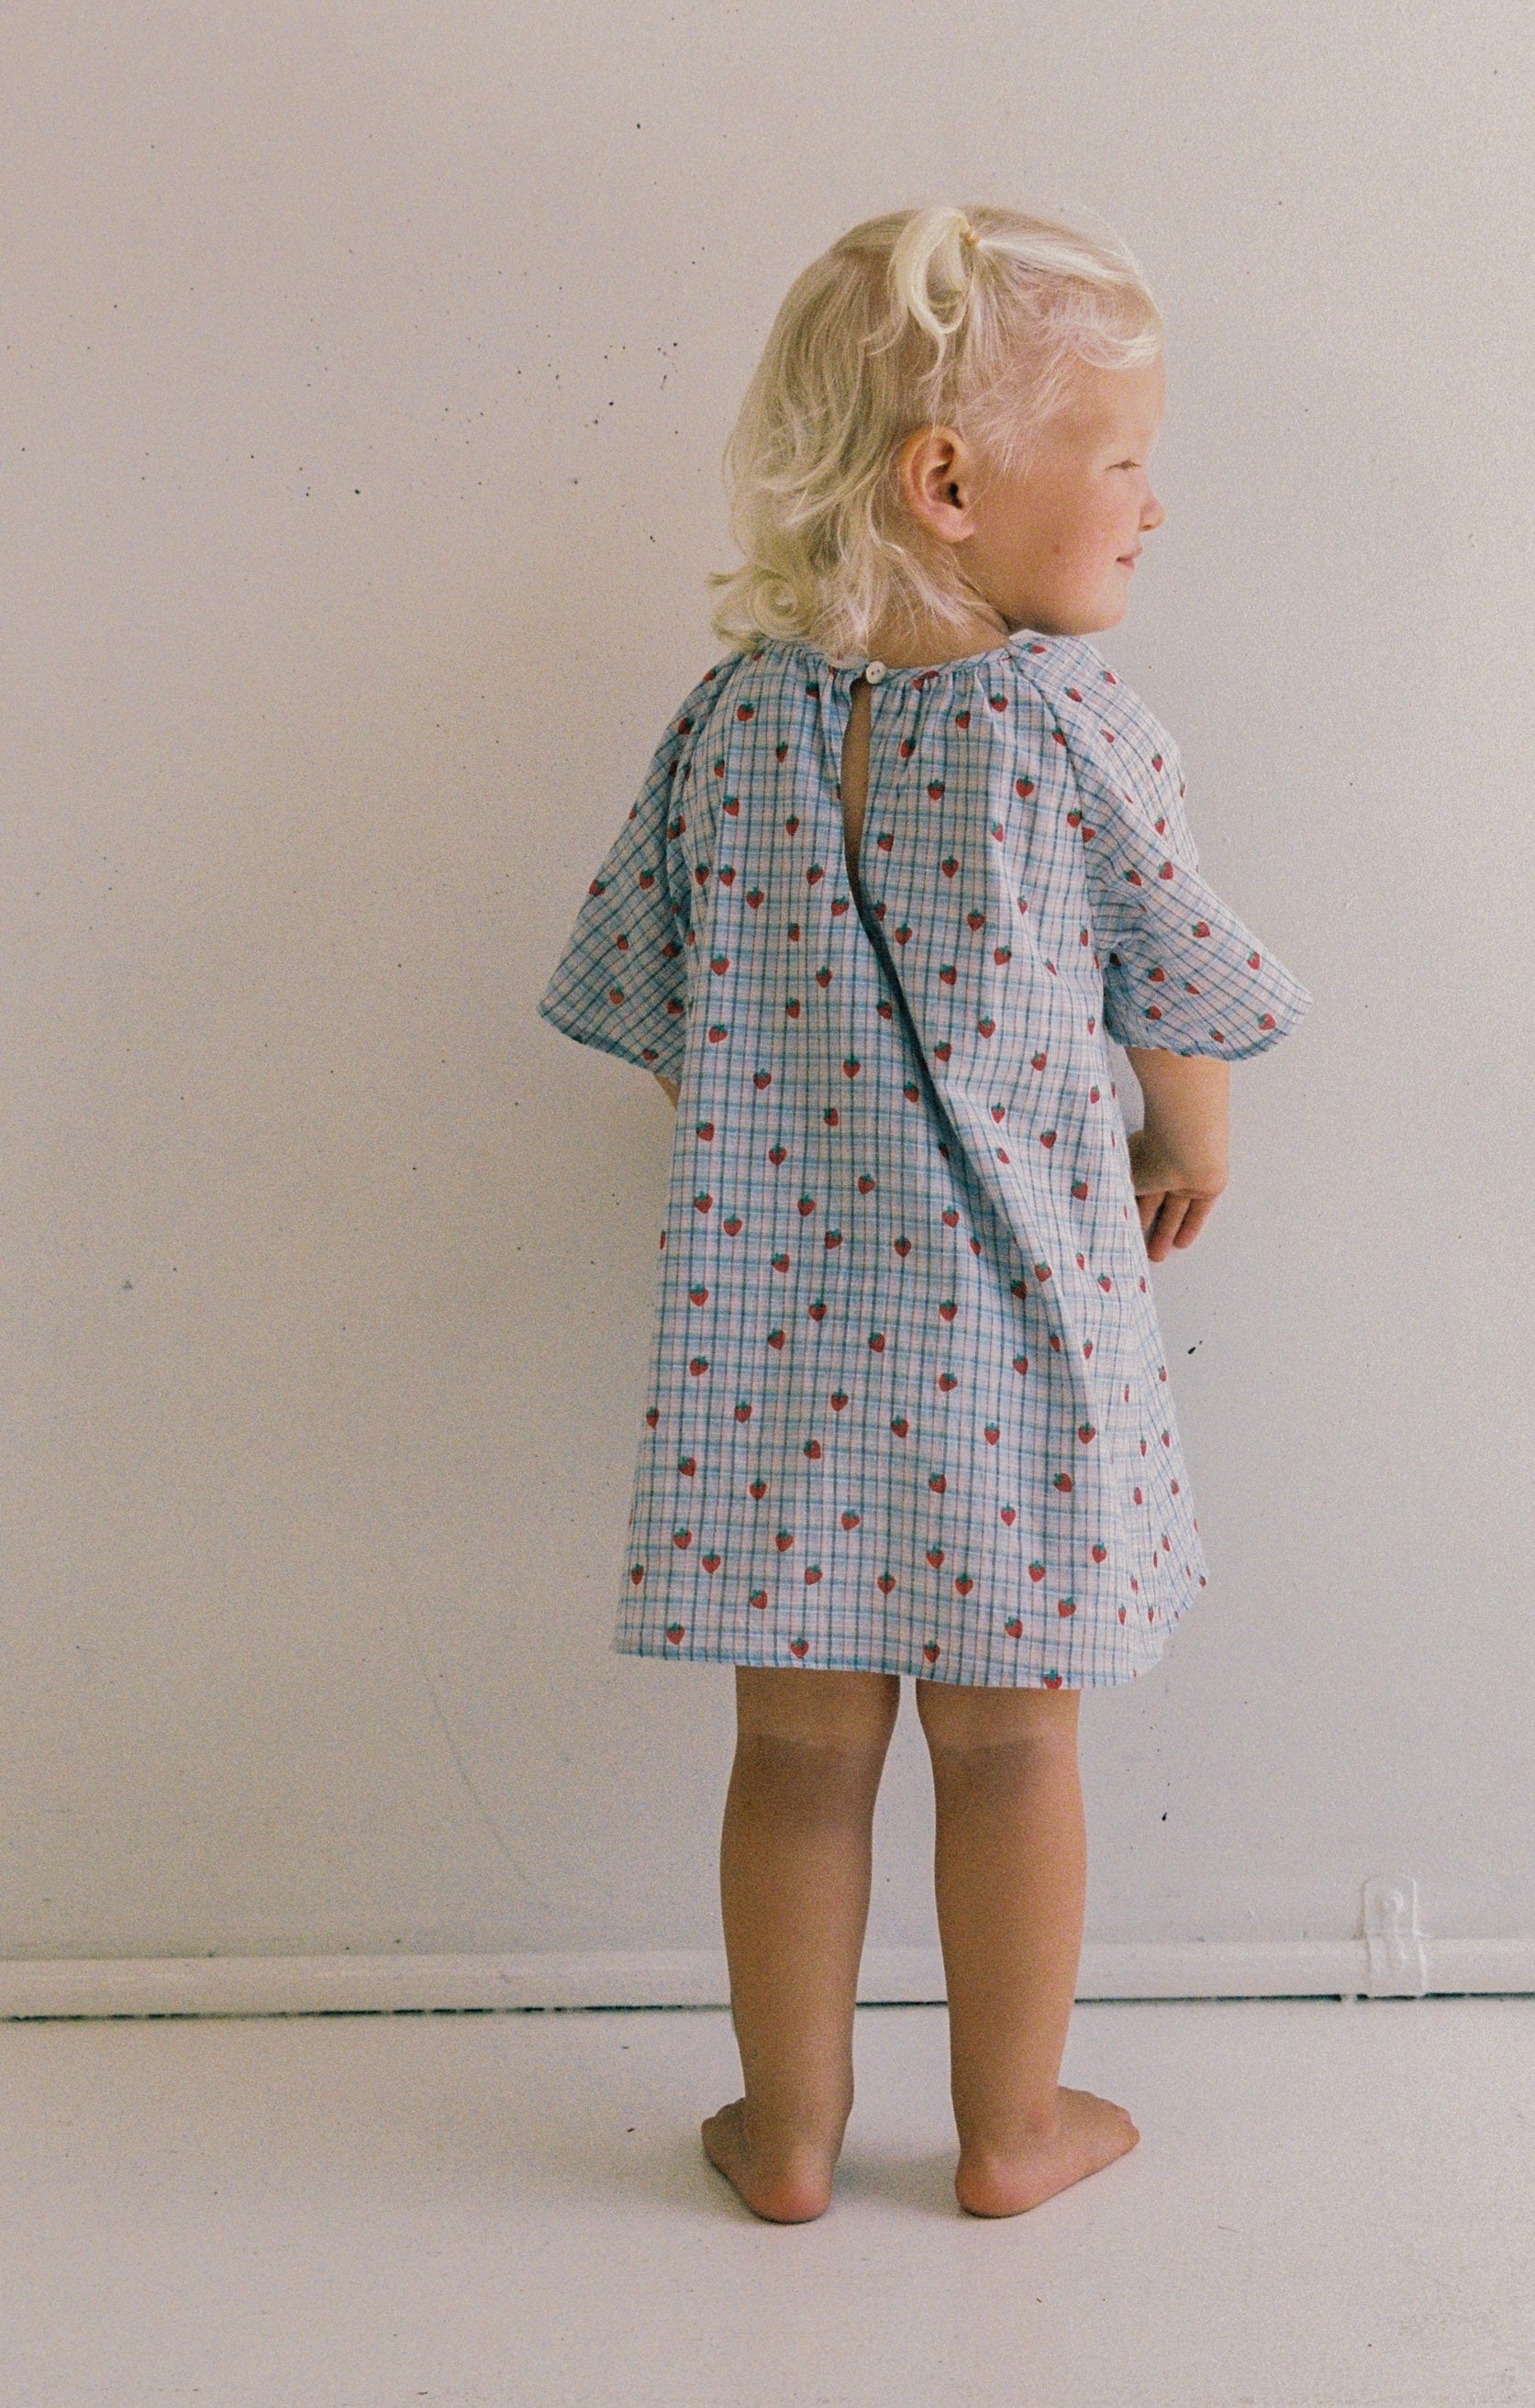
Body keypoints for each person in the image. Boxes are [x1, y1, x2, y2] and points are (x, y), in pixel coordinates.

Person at [539, 204, 1310, 2222]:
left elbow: (654, 1002)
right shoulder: (1069, 729)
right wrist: (1187, 1144)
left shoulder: (727, 728)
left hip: (766, 1338)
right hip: (1011, 1332)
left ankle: (786, 2144)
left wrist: (805, 1138)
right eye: (1125, 453)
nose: (1156, 499)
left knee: (791, 1759)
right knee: (1008, 1753)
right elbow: (1182, 988)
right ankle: (1005, 2134)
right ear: (950, 484)